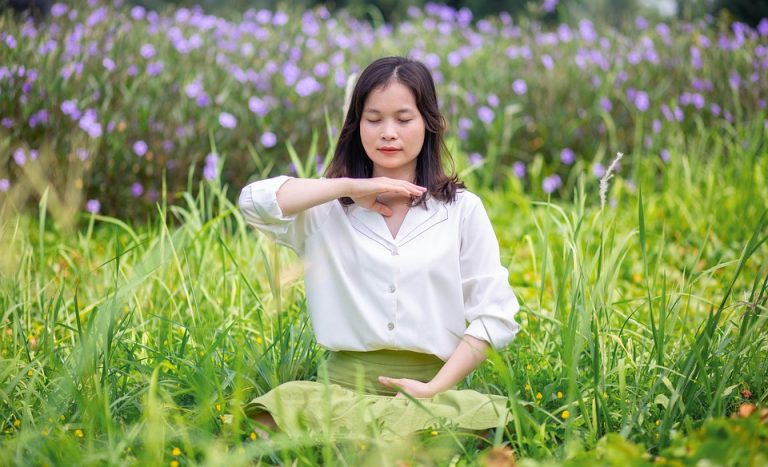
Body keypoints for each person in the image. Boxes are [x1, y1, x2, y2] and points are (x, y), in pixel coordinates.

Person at [238, 56, 520, 438]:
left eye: (403, 119)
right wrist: (350, 187)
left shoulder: (461, 211)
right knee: (267, 421)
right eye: (374, 120)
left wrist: (434, 388)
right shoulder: (326, 209)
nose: (389, 133)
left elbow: (495, 316)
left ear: (430, 124)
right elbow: (254, 201)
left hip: (431, 399)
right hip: (335, 397)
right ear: (357, 127)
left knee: (487, 428)